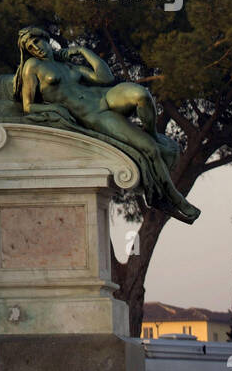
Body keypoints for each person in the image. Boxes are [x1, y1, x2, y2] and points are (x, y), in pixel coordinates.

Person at [13, 25, 200, 223]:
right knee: (150, 150)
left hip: (105, 97)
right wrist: (53, 109)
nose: (36, 48)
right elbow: (28, 107)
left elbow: (105, 78)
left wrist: (83, 51)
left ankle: (152, 132)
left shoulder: (68, 65)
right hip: (96, 115)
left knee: (142, 95)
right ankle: (176, 198)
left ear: (45, 39)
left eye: (37, 41)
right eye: (30, 47)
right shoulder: (32, 66)